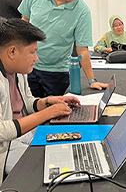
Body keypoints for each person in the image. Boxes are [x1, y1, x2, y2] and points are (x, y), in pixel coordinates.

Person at [0, 18, 80, 184]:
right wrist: (46, 114)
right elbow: (2, 131)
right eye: (32, 52)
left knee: (68, 143)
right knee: (54, 169)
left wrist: (49, 102)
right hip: (4, 146)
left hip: (19, 135)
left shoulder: (18, 71)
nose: (36, 58)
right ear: (12, 52)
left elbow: (27, 102)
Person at [18, 0, 107, 97]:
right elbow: (24, 22)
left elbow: (82, 49)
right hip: (28, 67)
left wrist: (91, 80)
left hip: (57, 73)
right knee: (29, 112)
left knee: (56, 115)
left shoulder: (82, 11)